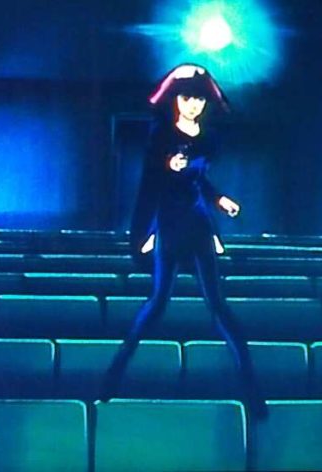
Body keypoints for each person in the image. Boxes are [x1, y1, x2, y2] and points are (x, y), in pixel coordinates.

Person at [100, 64, 268, 419]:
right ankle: (111, 379)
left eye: (199, 99)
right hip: (169, 225)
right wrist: (167, 168)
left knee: (218, 304)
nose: (193, 105)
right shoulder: (160, 133)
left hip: (198, 224)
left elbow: (199, 180)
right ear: (176, 99)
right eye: (187, 97)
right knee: (157, 304)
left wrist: (219, 200)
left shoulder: (208, 138)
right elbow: (153, 180)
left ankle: (253, 392)